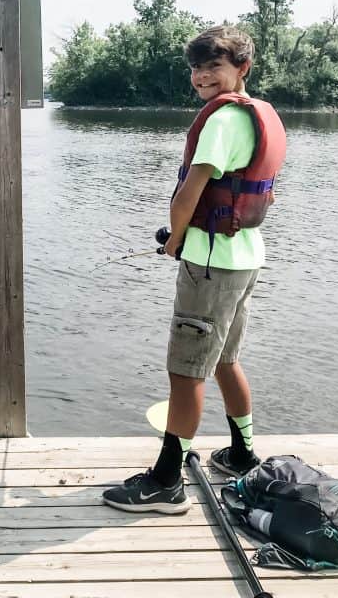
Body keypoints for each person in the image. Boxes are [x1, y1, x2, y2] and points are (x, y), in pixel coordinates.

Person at [102, 25, 286, 514]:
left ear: (242, 68)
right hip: (246, 258)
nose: (202, 76)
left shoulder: (222, 121)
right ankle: (242, 454)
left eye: (214, 66)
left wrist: (175, 240)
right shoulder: (257, 115)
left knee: (185, 371)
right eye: (196, 68)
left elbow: (190, 193)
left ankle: (166, 483)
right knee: (224, 359)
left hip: (209, 265)